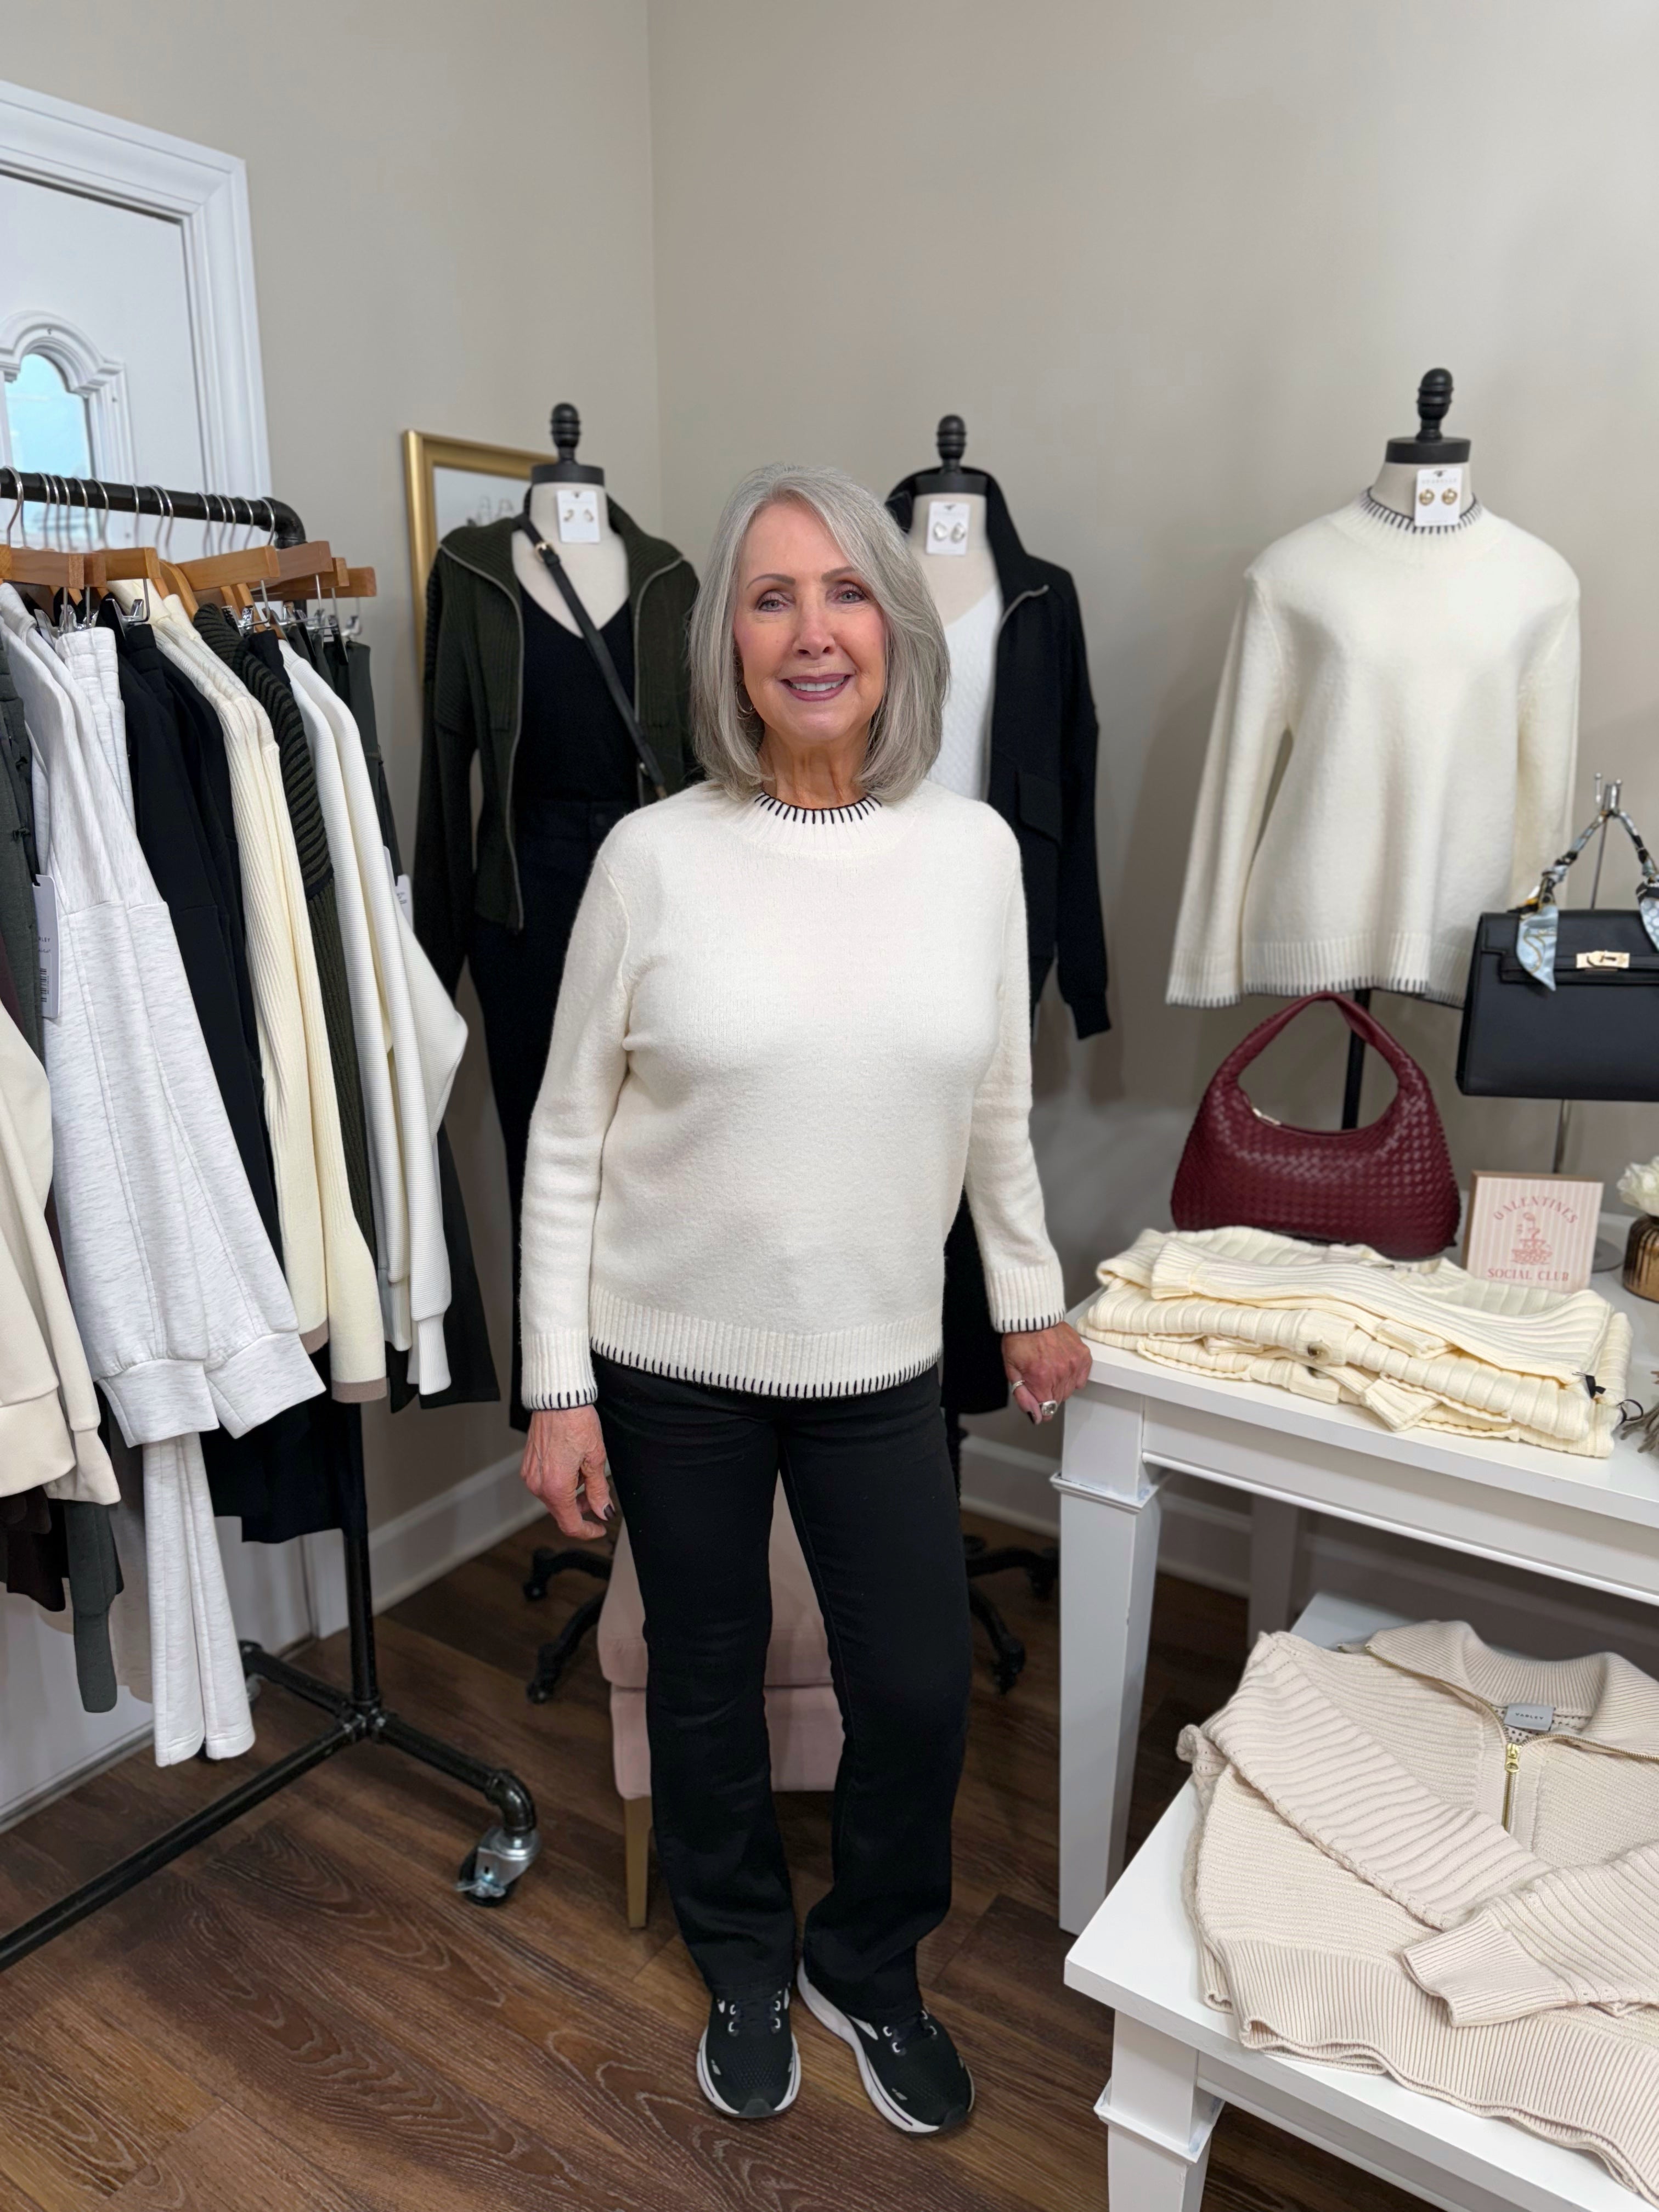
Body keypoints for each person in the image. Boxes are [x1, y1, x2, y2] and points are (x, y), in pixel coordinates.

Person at [515, 462, 1091, 2134]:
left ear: (898, 632)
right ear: (730, 646)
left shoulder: (975, 857)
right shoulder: (649, 861)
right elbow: (567, 1135)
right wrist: (557, 1386)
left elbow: (997, 1107)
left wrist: (1029, 1296)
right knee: (705, 1675)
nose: (813, 631)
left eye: (846, 594)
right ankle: (747, 1959)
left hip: (881, 1354)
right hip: (666, 1357)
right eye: (772, 598)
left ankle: (867, 1962)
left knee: (914, 1682)